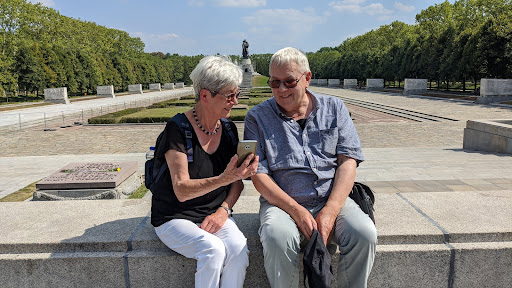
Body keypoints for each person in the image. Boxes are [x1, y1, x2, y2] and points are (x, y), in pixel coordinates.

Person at [244, 47, 377, 287]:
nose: (281, 90)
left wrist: (331, 210)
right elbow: (258, 175)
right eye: (275, 82)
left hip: (330, 197)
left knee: (364, 234)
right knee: (277, 237)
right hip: (282, 203)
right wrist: (296, 210)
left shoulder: (334, 108)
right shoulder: (257, 117)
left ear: (307, 78)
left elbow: (348, 162)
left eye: (289, 81)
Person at [151, 55, 259, 288]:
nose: (235, 101)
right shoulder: (177, 129)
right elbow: (181, 190)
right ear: (205, 95)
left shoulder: (229, 129)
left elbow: (236, 184)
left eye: (237, 94)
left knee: (239, 250)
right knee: (212, 250)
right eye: (229, 95)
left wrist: (224, 210)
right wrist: (224, 178)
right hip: (174, 217)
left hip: (213, 212)